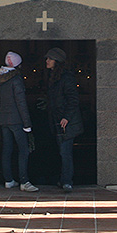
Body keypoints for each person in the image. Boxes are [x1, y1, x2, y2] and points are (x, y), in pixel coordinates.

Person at [0, 51, 38, 191]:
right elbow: (21, 103)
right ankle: (24, 181)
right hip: (16, 120)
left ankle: (8, 180)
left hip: (3, 119)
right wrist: (27, 123)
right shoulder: (16, 79)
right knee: (23, 150)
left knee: (7, 149)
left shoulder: (0, 78)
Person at [45, 47, 84, 192]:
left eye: (50, 58)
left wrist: (66, 117)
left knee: (65, 152)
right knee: (62, 152)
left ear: (57, 61)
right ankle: (63, 179)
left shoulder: (66, 78)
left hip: (66, 122)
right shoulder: (53, 77)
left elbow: (73, 99)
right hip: (58, 120)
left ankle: (67, 181)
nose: (47, 61)